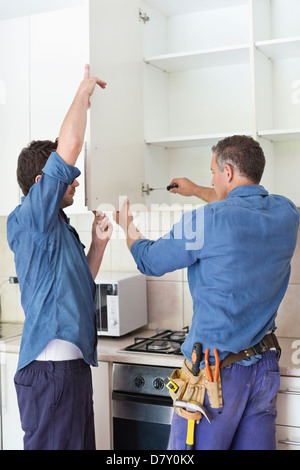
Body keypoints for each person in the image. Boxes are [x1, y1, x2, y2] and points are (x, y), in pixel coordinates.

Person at [115, 135, 299, 450]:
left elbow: (149, 259)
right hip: (264, 370)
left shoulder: (205, 221)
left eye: (213, 172)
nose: (212, 179)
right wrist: (198, 190)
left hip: (215, 375)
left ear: (227, 173)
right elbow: (242, 209)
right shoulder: (286, 213)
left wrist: (127, 227)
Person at [7, 65, 112, 450]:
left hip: (70, 371)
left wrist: (98, 246)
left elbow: (80, 287)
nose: (76, 181)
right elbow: (67, 149)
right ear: (42, 185)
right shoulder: (30, 220)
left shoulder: (57, 228)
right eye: (68, 177)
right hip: (50, 374)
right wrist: (82, 94)